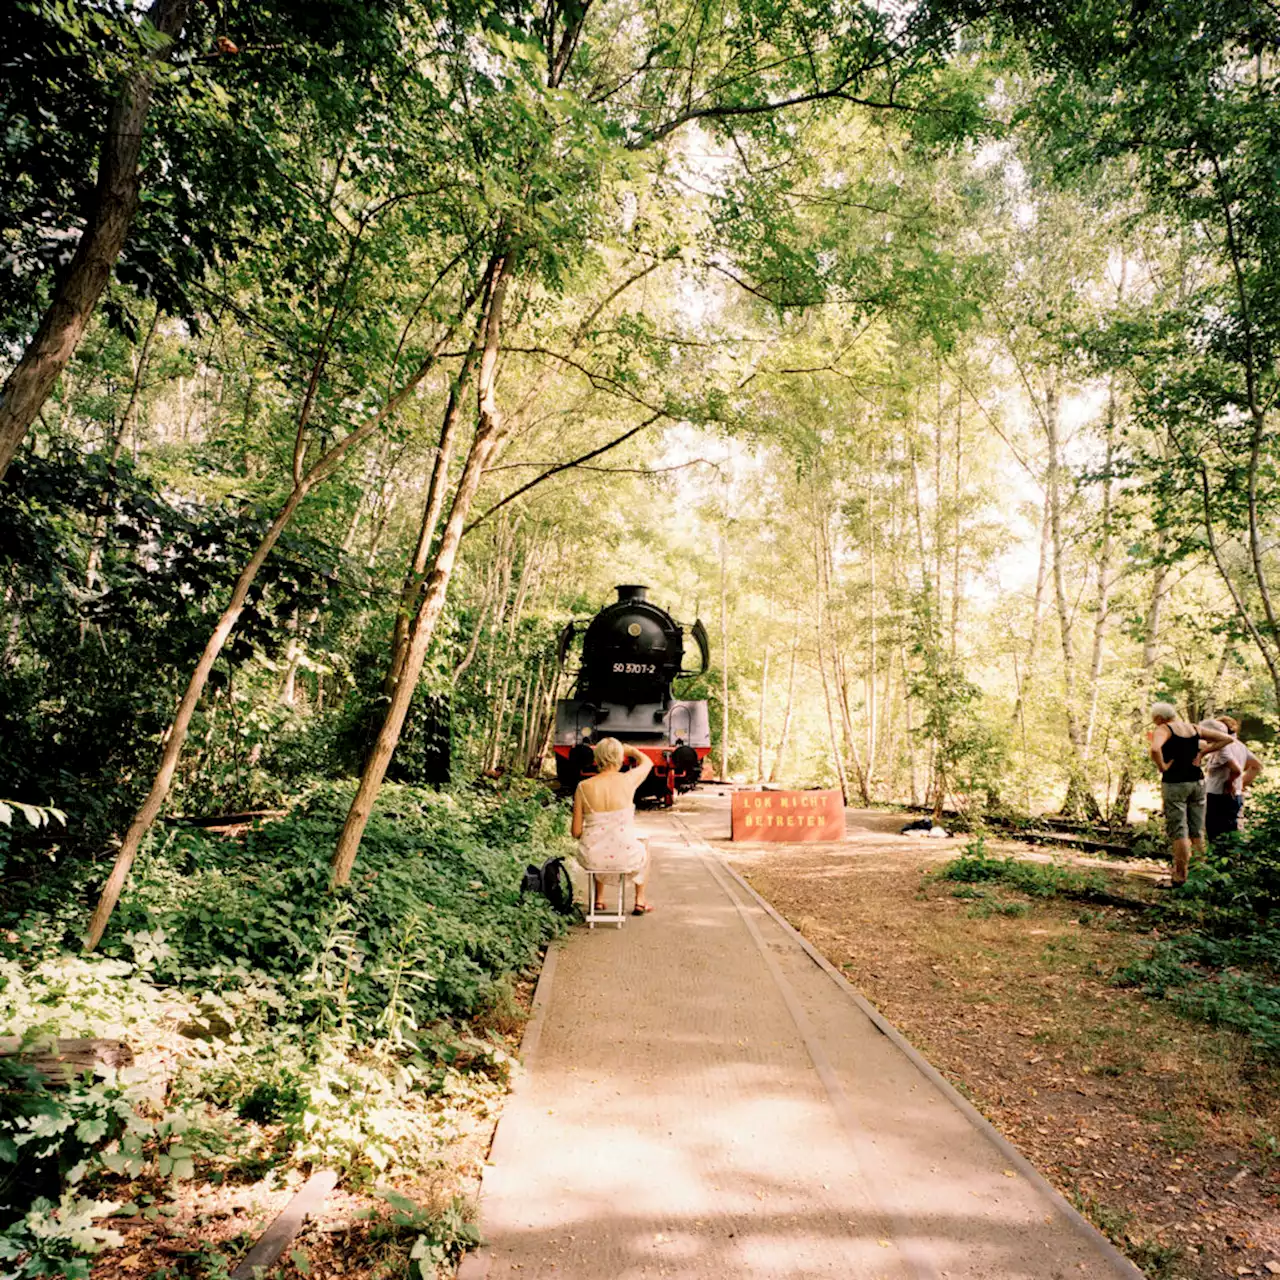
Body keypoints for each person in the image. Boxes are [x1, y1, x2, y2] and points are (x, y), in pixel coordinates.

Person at [1148, 703, 1236, 885]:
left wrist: (1162, 766)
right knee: (1196, 829)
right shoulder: (1193, 728)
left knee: (1179, 830)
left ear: (1158, 718)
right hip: (1198, 782)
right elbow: (1227, 739)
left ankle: (1180, 876)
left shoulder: (1164, 729)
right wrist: (1204, 752)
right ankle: (1200, 876)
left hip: (1175, 783)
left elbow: (1155, 749)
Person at [571, 738, 654, 915]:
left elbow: (576, 832)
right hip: (625, 856)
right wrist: (633, 752)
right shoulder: (629, 780)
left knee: (599, 841)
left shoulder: (583, 787)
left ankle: (599, 900)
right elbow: (648, 762)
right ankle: (640, 900)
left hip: (592, 858)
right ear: (620, 757)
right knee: (644, 844)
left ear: (596, 758)